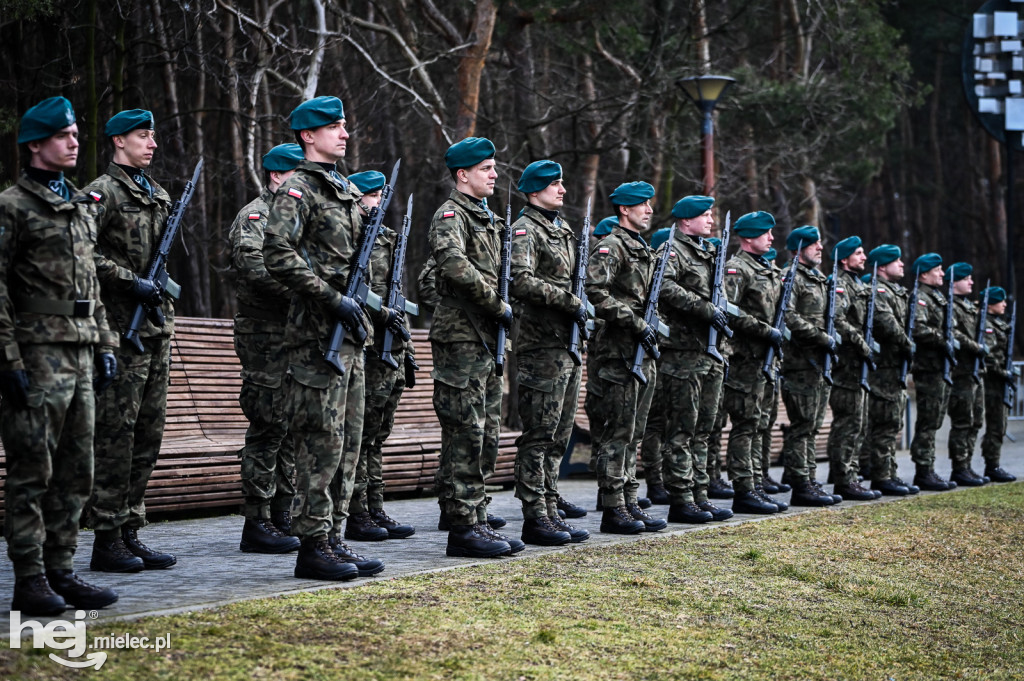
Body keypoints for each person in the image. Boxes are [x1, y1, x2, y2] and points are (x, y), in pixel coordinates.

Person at [0, 96, 120, 615]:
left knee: (78, 471)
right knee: (34, 471)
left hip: (81, 352)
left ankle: (61, 570)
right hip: (38, 353)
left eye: (75, 133)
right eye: (63, 136)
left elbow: (89, 282)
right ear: (35, 145)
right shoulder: (12, 206)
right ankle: (29, 578)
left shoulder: (77, 205)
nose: (75, 142)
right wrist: (9, 360)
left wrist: (106, 342)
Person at [263, 95, 384, 580]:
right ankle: (312, 544)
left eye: (344, 125)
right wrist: (330, 298)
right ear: (308, 136)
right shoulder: (298, 190)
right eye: (334, 127)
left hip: (349, 336)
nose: (345, 133)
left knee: (349, 439)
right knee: (321, 441)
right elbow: (277, 253)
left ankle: (334, 537)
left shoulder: (343, 190)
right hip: (316, 336)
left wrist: (356, 309)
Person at [85, 109, 177, 572]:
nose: (152, 143)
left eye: (153, 135)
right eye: (144, 136)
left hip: (155, 330)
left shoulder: (157, 194)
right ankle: (106, 537)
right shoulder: (100, 194)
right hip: (121, 330)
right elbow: (82, 251)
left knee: (148, 434)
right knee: (116, 435)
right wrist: (128, 280)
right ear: (119, 141)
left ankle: (130, 529)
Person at [429, 136, 522, 558]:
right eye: (486, 168)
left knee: (484, 431)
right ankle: (464, 527)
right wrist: (495, 303)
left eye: (494, 167)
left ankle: (476, 515)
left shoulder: (487, 220)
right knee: (466, 430)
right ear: (463, 174)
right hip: (462, 336)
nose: (495, 174)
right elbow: (451, 265)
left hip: (484, 336)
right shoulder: (451, 215)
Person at [229, 143, 305, 554]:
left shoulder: (294, 217)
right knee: (268, 425)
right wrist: (305, 294)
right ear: (277, 176)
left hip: (293, 334)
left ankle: (282, 513)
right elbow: (255, 270)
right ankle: (257, 520)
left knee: (289, 427)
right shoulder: (255, 216)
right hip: (264, 335)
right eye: (296, 174)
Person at [508, 160, 588, 546]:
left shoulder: (563, 229)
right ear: (534, 191)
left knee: (560, 434)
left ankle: (551, 506)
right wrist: (569, 302)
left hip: (565, 345)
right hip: (540, 345)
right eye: (554, 184)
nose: (562, 190)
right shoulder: (525, 230)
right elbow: (520, 281)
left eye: (562, 182)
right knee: (539, 434)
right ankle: (534, 514)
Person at [586, 182, 668, 534]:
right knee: (616, 432)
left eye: (649, 204)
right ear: (624, 210)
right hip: (618, 351)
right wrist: (634, 322)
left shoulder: (641, 249)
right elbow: (595, 293)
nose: (649, 210)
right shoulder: (611, 247)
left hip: (641, 350)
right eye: (642, 205)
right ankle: (613, 506)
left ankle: (630, 501)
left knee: (634, 432)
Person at [649, 195, 733, 524]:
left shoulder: (709, 251)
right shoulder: (672, 250)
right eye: (705, 215)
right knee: (681, 431)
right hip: (682, 355)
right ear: (686, 221)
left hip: (709, 352)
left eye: (712, 214)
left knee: (704, 430)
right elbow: (664, 286)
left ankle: (700, 495)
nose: (711, 220)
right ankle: (681, 498)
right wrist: (703, 307)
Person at [345, 169, 417, 542]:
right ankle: (356, 512)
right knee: (360, 436)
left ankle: (375, 507)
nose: (376, 204)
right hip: (368, 346)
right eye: (369, 197)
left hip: (391, 349)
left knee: (377, 437)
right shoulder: (353, 238)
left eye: (378, 197)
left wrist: (408, 350)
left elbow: (397, 296)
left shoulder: (388, 239)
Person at [722, 211, 787, 514]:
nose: (772, 238)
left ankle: (757, 484)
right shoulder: (737, 269)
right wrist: (765, 330)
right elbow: (728, 311)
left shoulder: (768, 269)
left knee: (761, 423)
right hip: (746, 359)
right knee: (746, 425)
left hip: (767, 359)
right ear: (748, 237)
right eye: (765, 233)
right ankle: (744, 489)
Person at [777, 226, 839, 506]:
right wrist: (820, 337)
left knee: (812, 425)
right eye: (813, 244)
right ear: (798, 248)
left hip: (819, 362)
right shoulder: (791, 277)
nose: (820, 248)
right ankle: (802, 484)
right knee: (803, 425)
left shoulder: (819, 278)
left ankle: (807, 477)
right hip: (800, 362)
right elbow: (787, 315)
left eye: (820, 243)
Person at [823, 236, 879, 501]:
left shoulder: (859, 285)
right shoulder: (840, 284)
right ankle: (844, 478)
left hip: (859, 366)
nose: (864, 257)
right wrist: (862, 344)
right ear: (844, 259)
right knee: (848, 424)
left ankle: (850, 474)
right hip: (847, 365)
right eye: (858, 253)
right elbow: (837, 320)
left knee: (858, 424)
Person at [858, 245, 916, 494]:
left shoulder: (896, 291)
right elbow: (887, 323)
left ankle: (889, 471)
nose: (902, 264)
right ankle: (882, 475)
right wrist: (908, 344)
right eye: (896, 260)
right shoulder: (878, 290)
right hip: (883, 368)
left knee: (892, 422)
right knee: (885, 423)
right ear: (882, 266)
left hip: (894, 367)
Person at [908, 253, 954, 492]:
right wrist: (942, 340)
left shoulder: (937, 297)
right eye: (938, 270)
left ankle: (929, 468)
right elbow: (918, 328)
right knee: (927, 421)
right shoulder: (920, 297)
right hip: (928, 369)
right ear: (924, 274)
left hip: (939, 368)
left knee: (935, 420)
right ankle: (923, 471)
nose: (942, 274)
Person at [944, 262, 989, 487]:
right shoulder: (951, 306)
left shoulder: (970, 307)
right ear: (954, 283)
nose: (971, 281)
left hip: (975, 371)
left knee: (975, 420)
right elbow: (955, 335)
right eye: (966, 278)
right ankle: (959, 467)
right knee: (963, 421)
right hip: (961, 371)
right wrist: (975, 346)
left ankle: (968, 464)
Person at [978, 286, 1018, 482]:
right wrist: (1005, 373)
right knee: (996, 424)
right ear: (991, 303)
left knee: (999, 424)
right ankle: (991, 465)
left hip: (1000, 380)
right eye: (1000, 301)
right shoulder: (987, 324)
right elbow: (990, 357)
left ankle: (994, 463)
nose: (1004, 304)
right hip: (992, 381)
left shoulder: (999, 323)